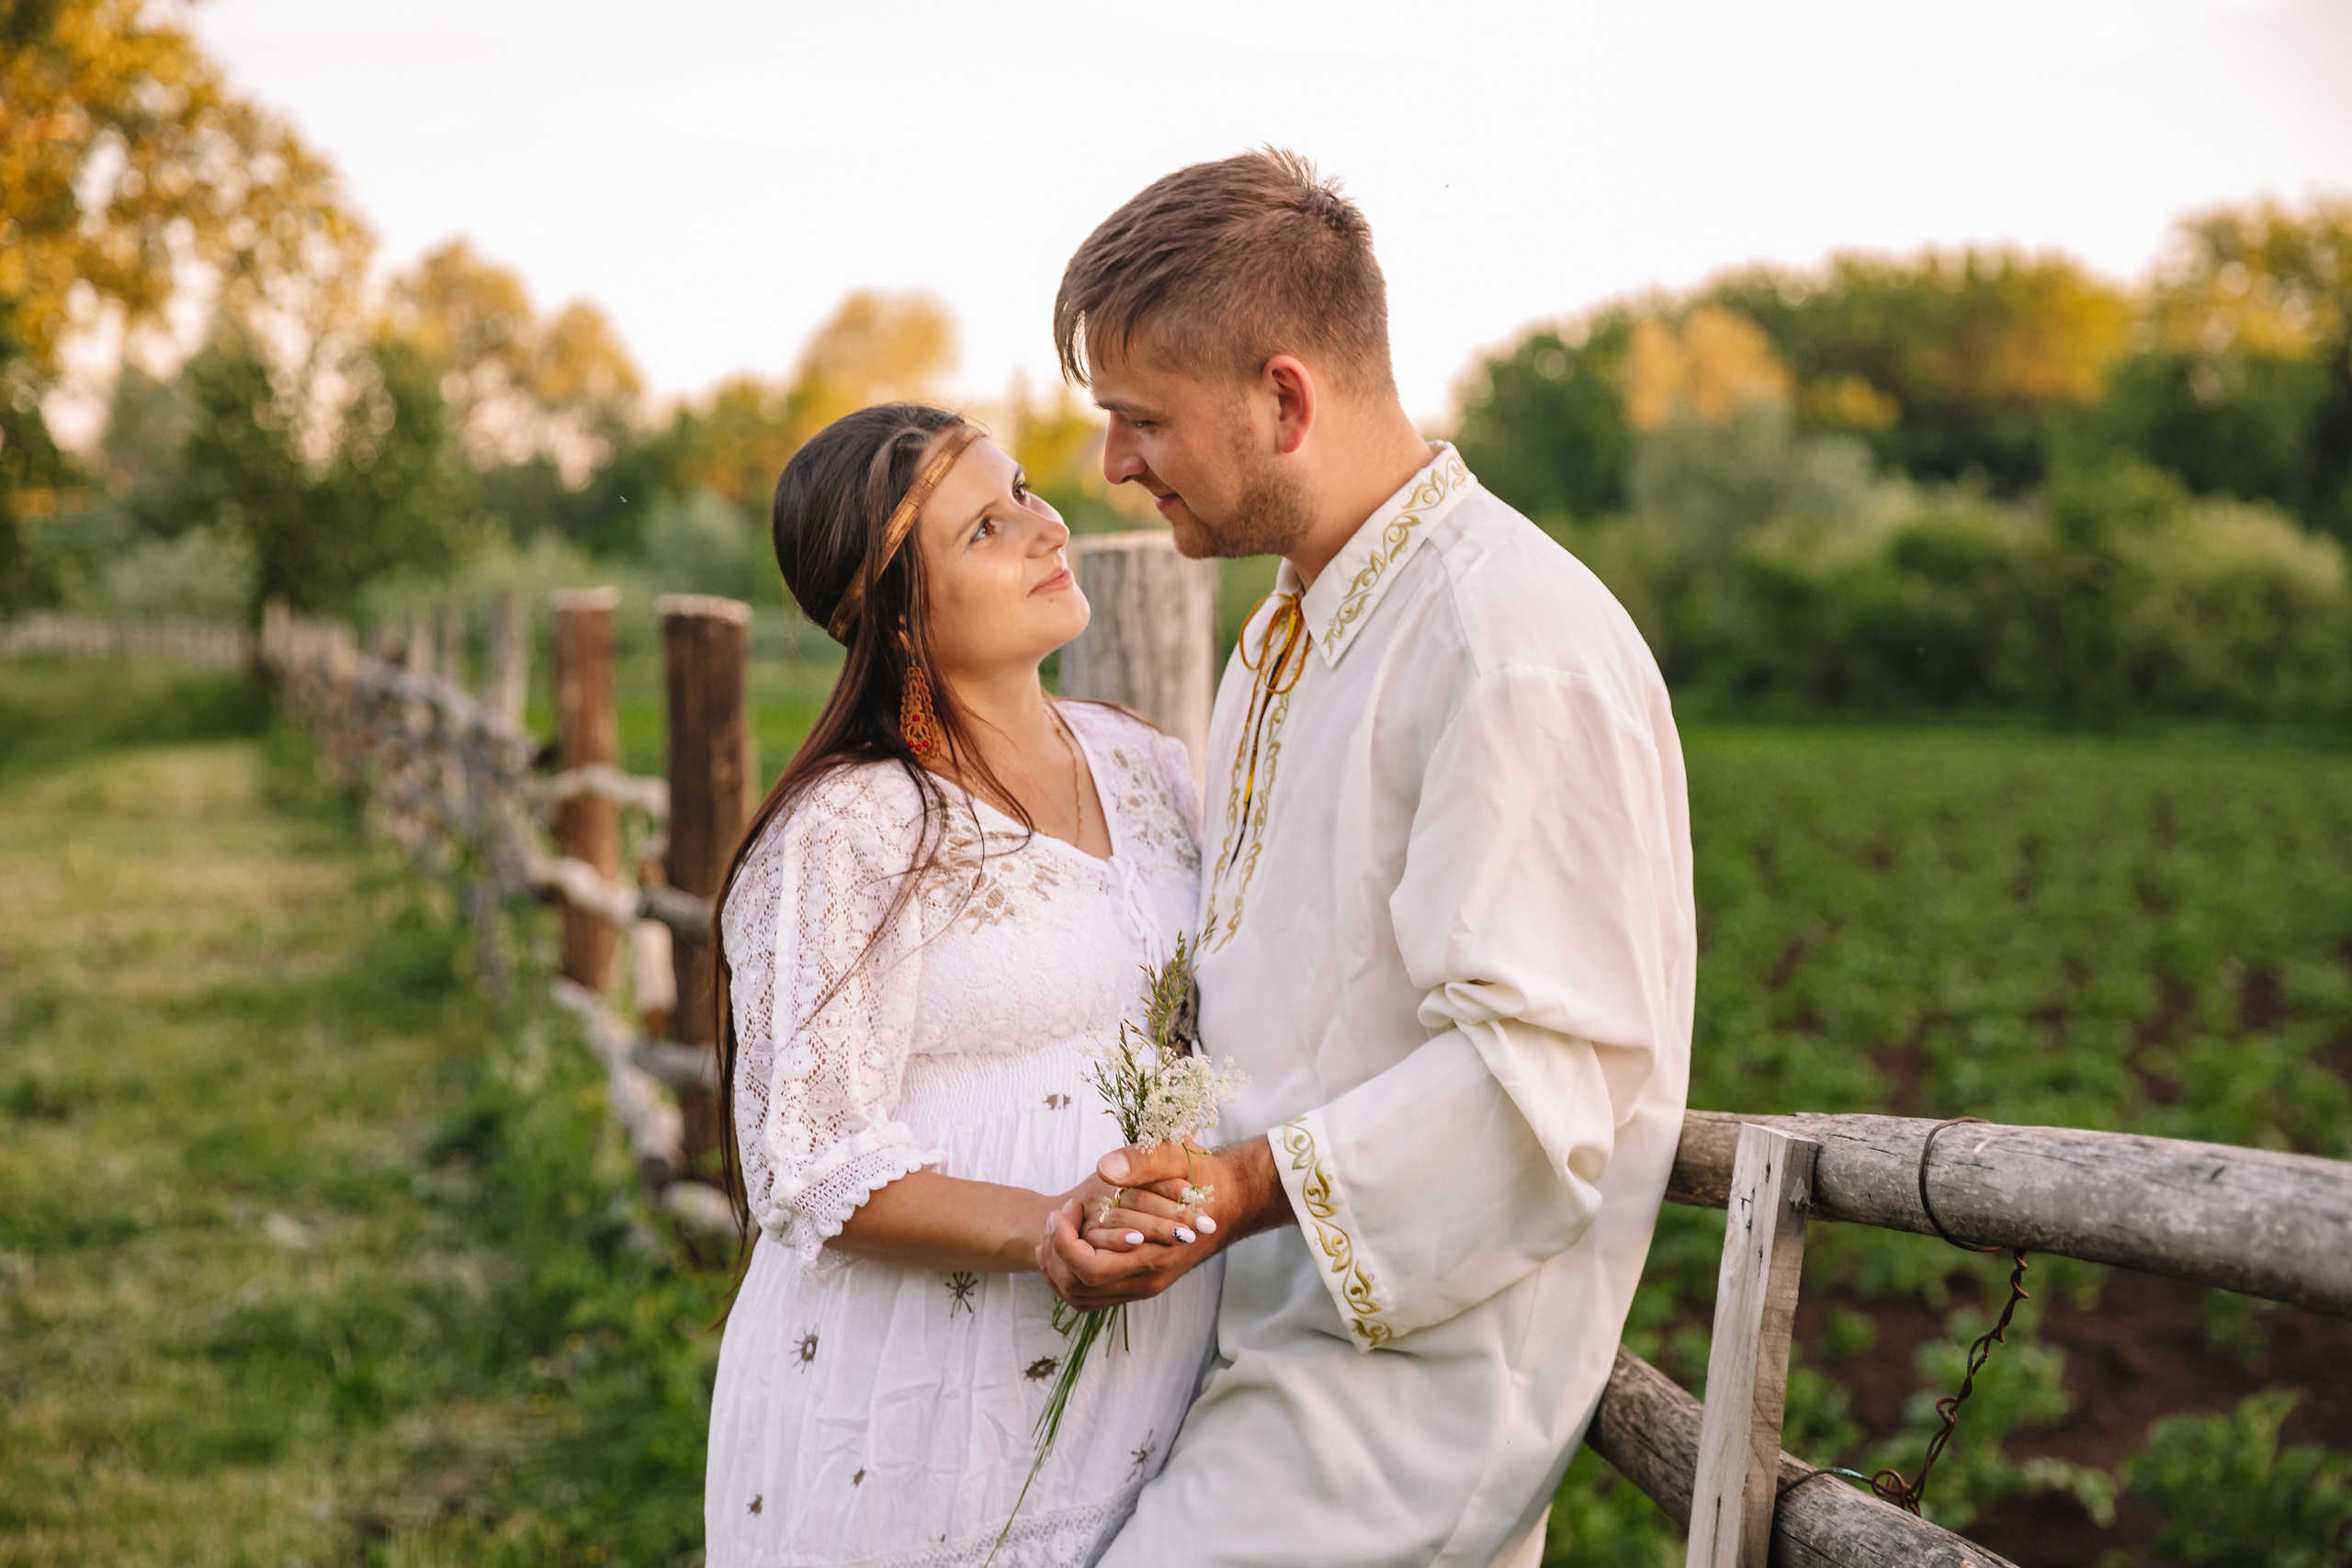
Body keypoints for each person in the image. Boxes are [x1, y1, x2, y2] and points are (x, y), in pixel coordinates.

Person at [1033, 151, 1696, 1568]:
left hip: (1405, 1398)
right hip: (1253, 1336)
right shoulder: (1292, 624)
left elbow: (1544, 1084)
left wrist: (1246, 1187)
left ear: (1284, 396)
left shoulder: (1507, 642)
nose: (1113, 466)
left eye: (1142, 419)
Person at [704, 403, 1224, 1566]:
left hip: (1155, 1376)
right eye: (986, 529)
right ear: (893, 611)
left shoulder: (1146, 764)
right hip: (928, 1406)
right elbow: (808, 1160)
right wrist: (1045, 1226)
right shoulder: (850, 830)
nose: (1048, 527)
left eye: (1026, 491)